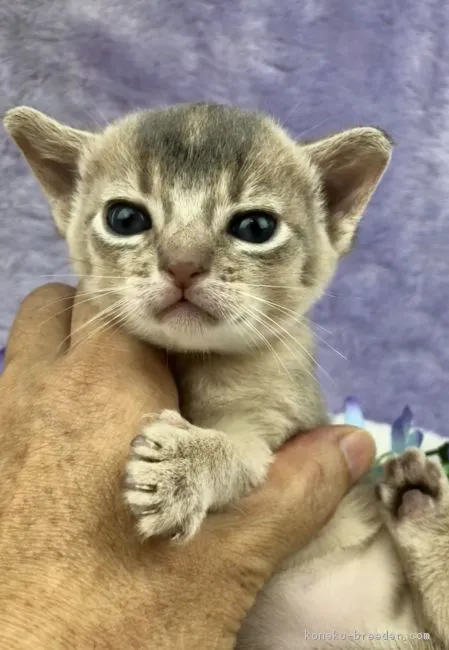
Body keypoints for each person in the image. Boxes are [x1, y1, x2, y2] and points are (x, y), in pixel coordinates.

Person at [0, 283, 375, 649]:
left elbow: (256, 445)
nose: (181, 265)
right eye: (129, 219)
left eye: (252, 226)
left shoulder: (277, 352)